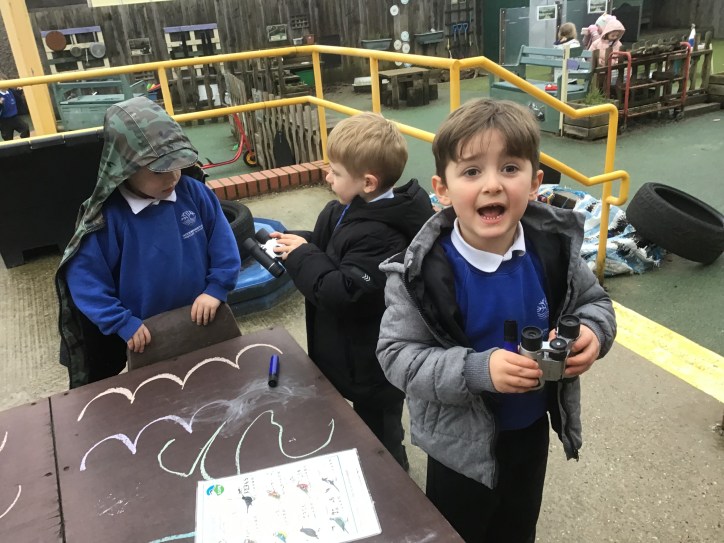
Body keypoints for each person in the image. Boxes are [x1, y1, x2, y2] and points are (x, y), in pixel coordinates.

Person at [376, 98, 616, 542]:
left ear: (535, 182)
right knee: (458, 531)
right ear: (442, 189)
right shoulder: (420, 274)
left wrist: (592, 332)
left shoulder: (552, 250)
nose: (492, 185)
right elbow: (397, 357)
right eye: (471, 171)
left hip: (530, 431)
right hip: (458, 447)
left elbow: (594, 302)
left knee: (518, 528)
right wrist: (477, 369)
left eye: (509, 168)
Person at [270, 112, 433, 470]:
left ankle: (392, 480)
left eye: (335, 172)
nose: (327, 176)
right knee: (353, 426)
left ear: (368, 183)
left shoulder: (384, 236)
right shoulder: (347, 210)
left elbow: (344, 293)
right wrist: (298, 242)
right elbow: (333, 249)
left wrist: (304, 255)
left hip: (372, 366)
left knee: (380, 433)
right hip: (349, 354)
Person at [56, 96, 241, 388]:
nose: (172, 177)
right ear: (125, 167)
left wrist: (217, 288)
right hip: (145, 336)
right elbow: (85, 280)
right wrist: (120, 322)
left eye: (177, 164)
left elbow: (223, 243)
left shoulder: (194, 193)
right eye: (158, 170)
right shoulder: (107, 219)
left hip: (203, 318)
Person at [0, 74, 30, 141]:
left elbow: (17, 96)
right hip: (4, 121)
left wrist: (20, 91)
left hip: (15, 117)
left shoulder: (11, 91)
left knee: (25, 128)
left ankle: (23, 142)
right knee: (8, 139)